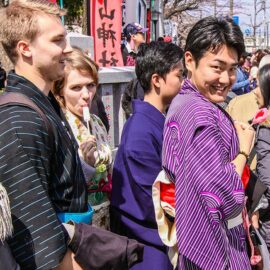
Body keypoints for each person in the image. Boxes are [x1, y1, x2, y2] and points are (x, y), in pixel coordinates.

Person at [0, 1, 143, 269]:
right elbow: (40, 244)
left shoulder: (42, 104)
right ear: (25, 49)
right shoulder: (20, 119)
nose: (67, 48)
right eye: (57, 40)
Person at [162, 16, 255, 269]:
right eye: (217, 67)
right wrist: (244, 150)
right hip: (217, 250)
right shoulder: (199, 114)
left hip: (198, 238)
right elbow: (223, 194)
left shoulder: (183, 103)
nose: (226, 79)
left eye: (232, 69)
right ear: (190, 60)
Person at [111, 41, 184, 270]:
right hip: (149, 247)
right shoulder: (141, 130)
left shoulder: (154, 121)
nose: (184, 82)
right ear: (156, 80)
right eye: (179, 75)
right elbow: (156, 200)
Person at [53, 47, 112, 229]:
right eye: (76, 88)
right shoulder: (59, 126)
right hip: (79, 221)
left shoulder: (97, 122)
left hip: (105, 214)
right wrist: (85, 165)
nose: (86, 95)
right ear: (60, 90)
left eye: (90, 85)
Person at [254, 63, 270, 253]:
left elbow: (268, 183)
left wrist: (255, 208)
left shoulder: (265, 129)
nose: (254, 91)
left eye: (257, 85)